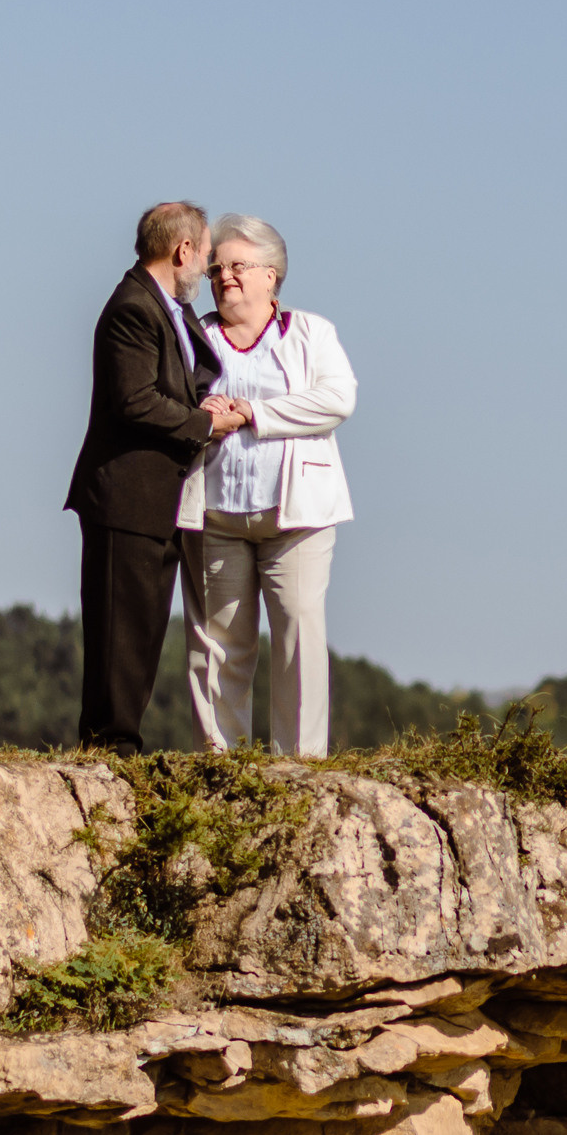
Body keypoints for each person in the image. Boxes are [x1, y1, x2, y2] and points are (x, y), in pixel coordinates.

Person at [65, 201, 249, 753]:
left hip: (158, 501)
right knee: (120, 632)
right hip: (126, 497)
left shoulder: (169, 308)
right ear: (182, 250)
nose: (209, 269)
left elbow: (179, 378)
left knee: (142, 633)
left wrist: (206, 399)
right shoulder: (132, 308)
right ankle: (110, 748)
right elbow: (135, 401)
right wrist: (206, 424)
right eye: (208, 256)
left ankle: (119, 744)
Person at [177, 212, 357, 757]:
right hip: (217, 514)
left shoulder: (312, 332)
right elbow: (174, 403)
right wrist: (203, 410)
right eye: (216, 269)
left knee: (298, 638)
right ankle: (219, 766)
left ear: (271, 274)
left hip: (295, 517)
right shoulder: (195, 335)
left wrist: (252, 411)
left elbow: (336, 400)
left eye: (237, 266)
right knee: (217, 646)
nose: (223, 277)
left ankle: (298, 768)